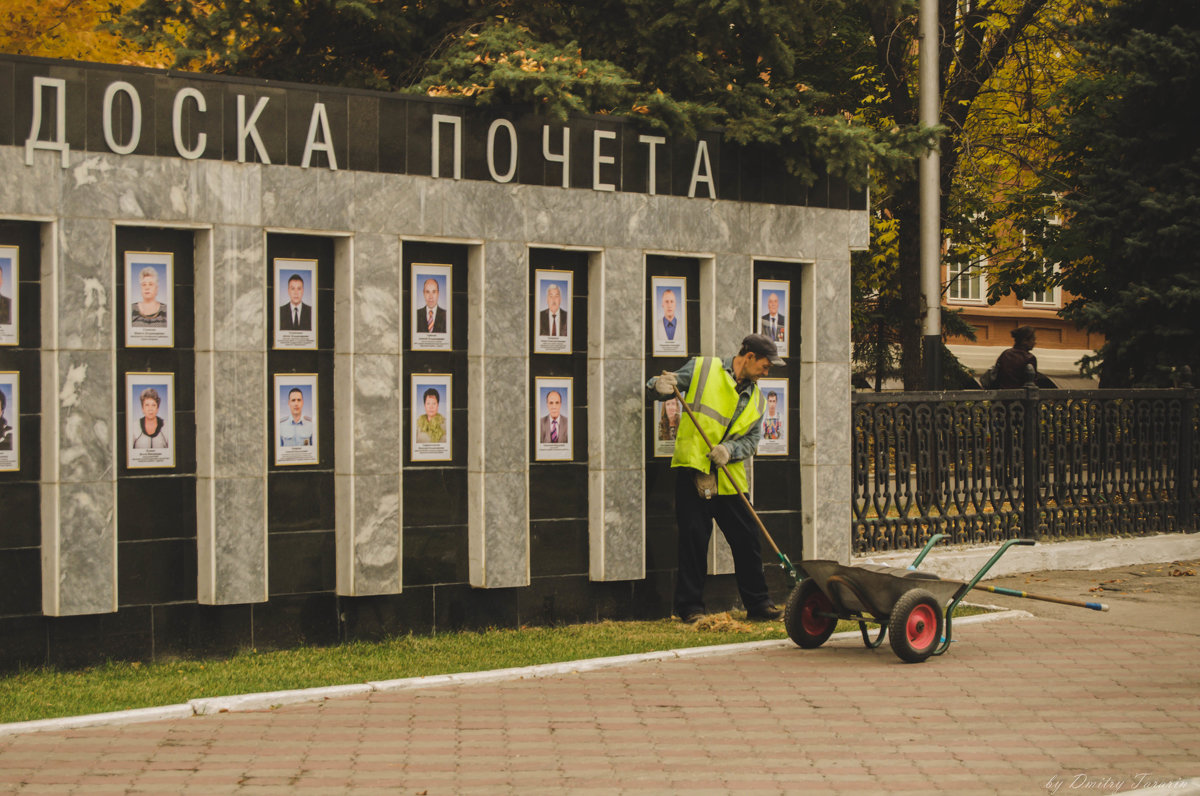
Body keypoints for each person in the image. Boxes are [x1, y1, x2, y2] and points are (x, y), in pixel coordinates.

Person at [648, 333, 785, 623]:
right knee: (694, 540)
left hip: (728, 477)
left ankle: (759, 605)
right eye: (765, 364)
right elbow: (666, 384)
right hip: (693, 471)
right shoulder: (703, 368)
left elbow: (752, 440)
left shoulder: (758, 400)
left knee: (747, 539)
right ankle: (690, 609)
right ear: (748, 357)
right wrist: (658, 386)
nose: (767, 370)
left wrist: (730, 449)